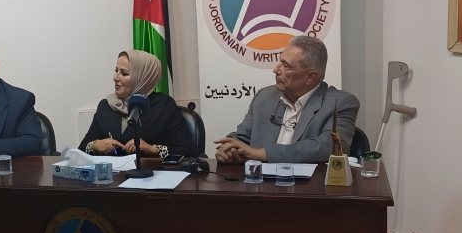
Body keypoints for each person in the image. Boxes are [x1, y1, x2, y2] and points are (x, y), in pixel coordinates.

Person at [214, 36, 359, 164]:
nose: (276, 70)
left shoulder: (340, 103)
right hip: (260, 182)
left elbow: (330, 146)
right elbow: (242, 136)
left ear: (310, 77)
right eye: (280, 62)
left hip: (309, 184)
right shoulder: (264, 96)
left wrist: (262, 154)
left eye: (286, 66)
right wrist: (229, 149)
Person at [79, 50, 196, 159]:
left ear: (143, 78)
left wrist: (153, 149)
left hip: (151, 172)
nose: (115, 78)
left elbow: (189, 151)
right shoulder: (106, 106)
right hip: (113, 174)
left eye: (124, 73)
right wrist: (95, 146)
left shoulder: (164, 106)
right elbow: (81, 149)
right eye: (116, 71)